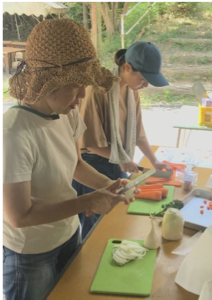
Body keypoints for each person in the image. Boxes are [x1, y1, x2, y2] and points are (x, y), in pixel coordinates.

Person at [2, 19, 137, 300]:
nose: (82, 96)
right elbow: (19, 216)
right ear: (46, 84)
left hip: (68, 233)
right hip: (29, 253)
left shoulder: (66, 113)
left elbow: (75, 164)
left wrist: (111, 185)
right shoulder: (13, 133)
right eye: (75, 86)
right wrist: (88, 201)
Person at [72, 41, 173, 239]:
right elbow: (88, 141)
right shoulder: (97, 89)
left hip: (118, 161)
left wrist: (154, 161)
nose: (145, 86)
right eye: (144, 79)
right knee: (95, 225)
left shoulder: (131, 91)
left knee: (116, 219)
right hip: (92, 165)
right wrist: (121, 159)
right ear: (127, 67)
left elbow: (138, 133)